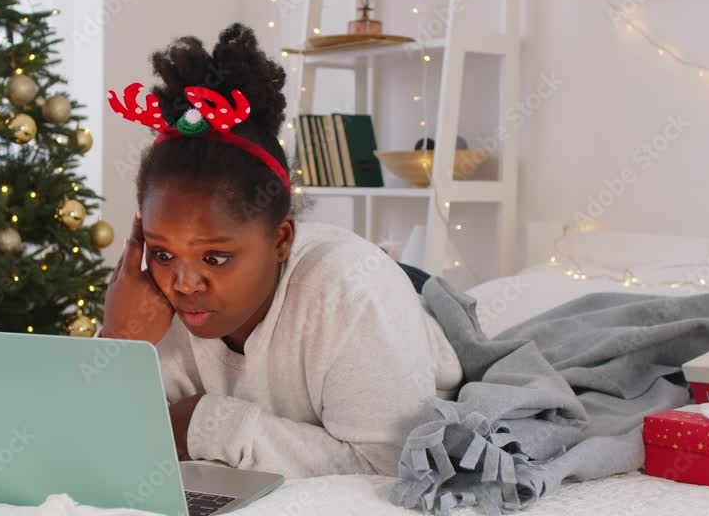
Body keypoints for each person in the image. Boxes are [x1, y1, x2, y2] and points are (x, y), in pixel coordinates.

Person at [100, 23, 462, 479]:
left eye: (215, 257)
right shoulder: (150, 295)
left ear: (281, 239)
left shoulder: (353, 293)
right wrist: (118, 342)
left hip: (401, 291)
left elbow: (391, 469)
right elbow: (93, 443)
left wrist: (205, 424)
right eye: (163, 252)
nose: (184, 284)